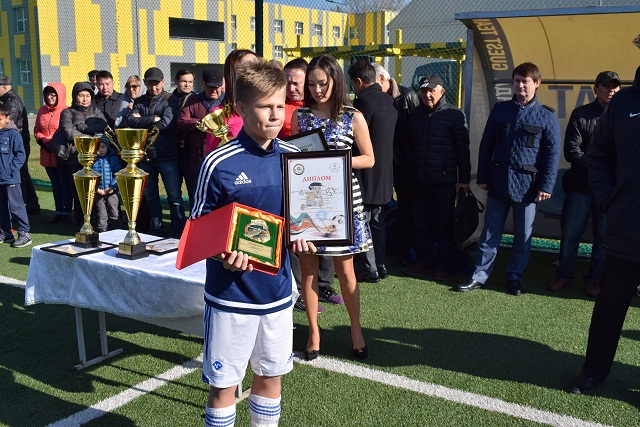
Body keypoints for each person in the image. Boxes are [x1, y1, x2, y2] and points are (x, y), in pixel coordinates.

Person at [190, 59, 304, 427]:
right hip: (231, 295)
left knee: (270, 379)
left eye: (280, 105)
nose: (275, 115)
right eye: (265, 106)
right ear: (240, 107)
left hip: (277, 293)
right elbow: (197, 230)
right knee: (224, 387)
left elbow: (301, 220)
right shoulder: (217, 162)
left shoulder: (295, 160)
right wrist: (223, 253)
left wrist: (307, 235)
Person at [291, 54, 375, 360]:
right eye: (311, 84)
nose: (316, 90)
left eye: (322, 84)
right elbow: (296, 157)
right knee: (308, 270)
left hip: (343, 201)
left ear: (335, 81)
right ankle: (314, 332)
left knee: (346, 270)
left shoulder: (353, 116)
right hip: (307, 201)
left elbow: (369, 158)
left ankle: (356, 329)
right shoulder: (300, 116)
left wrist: (336, 162)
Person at [565, 65, 640, 395]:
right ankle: (594, 370)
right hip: (627, 228)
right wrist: (611, 200)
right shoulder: (623, 103)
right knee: (610, 305)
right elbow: (597, 156)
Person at [456, 62, 560, 296]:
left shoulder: (546, 116)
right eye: (517, 81)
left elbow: (552, 154)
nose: (520, 85)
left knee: (523, 236)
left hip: (528, 187)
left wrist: (546, 185)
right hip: (499, 183)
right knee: (489, 233)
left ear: (537, 83)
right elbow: (487, 145)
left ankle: (514, 278)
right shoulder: (500, 110)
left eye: (525, 81)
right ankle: (478, 276)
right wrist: (483, 176)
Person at [547, 71, 620, 297]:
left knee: (603, 238)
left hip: (608, 191)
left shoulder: (623, 116)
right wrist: (598, 168)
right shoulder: (581, 114)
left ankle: (594, 280)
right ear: (596, 89)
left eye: (615, 87)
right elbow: (572, 151)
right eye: (606, 86)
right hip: (580, 187)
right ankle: (563, 275)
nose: (611, 90)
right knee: (571, 234)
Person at [278, 57, 337, 312]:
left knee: (326, 229)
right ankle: (300, 291)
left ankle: (325, 285)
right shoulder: (279, 106)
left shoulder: (320, 107)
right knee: (299, 234)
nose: (292, 88)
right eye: (287, 82)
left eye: (298, 83)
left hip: (323, 178)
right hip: (293, 176)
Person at [405, 74, 471, 281]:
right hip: (419, 180)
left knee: (444, 224)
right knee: (420, 223)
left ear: (441, 91)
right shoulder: (415, 115)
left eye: (431, 91)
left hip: (443, 181)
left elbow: (463, 150)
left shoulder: (454, 115)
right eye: (423, 91)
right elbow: (408, 146)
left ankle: (443, 264)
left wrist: (464, 179)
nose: (427, 95)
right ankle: (422, 260)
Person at [347, 60, 397, 283]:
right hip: (385, 171)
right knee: (378, 220)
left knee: (363, 219)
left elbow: (356, 136)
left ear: (358, 81)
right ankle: (381, 264)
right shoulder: (389, 100)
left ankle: (371, 268)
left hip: (364, 170)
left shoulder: (363, 102)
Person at [371, 63, 420, 267]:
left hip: (404, 164)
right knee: (381, 208)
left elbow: (415, 132)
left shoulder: (407, 96)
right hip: (384, 162)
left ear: (383, 79)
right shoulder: (373, 99)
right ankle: (387, 249)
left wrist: (409, 162)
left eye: (374, 83)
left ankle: (404, 251)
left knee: (406, 208)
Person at [127, 67, 185, 237]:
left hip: (168, 156)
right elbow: (130, 121)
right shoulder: (139, 101)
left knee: (174, 197)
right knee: (151, 196)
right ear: (145, 83)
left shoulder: (171, 100)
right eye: (150, 83)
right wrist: (152, 119)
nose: (154, 87)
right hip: (146, 157)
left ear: (163, 82)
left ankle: (178, 229)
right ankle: (156, 228)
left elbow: (166, 124)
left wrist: (142, 122)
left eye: (157, 83)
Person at [59, 82, 108, 226]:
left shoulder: (96, 111)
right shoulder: (67, 112)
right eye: (81, 95)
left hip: (96, 157)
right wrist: (90, 137)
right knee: (79, 192)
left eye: (87, 96)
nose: (85, 99)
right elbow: (68, 132)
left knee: (97, 191)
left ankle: (99, 221)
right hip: (75, 157)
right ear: (75, 97)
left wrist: (82, 128)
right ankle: (82, 222)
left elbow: (103, 126)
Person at [176, 66, 225, 209]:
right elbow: (181, 121)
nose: (214, 90)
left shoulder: (228, 102)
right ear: (203, 83)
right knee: (196, 197)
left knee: (222, 198)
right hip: (197, 159)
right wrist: (200, 123)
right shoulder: (192, 100)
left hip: (222, 160)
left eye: (217, 87)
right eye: (210, 87)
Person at [204, 49, 259, 153]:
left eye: (258, 65)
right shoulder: (219, 115)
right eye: (249, 66)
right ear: (234, 74)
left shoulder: (269, 108)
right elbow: (211, 153)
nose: (256, 71)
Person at [0, 75, 41, 215]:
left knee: (18, 175)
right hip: (19, 143)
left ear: (4, 87)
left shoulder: (11, 102)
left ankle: (21, 207)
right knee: (23, 174)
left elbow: (6, 124)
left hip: (16, 145)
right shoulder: (10, 100)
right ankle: (31, 205)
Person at [34, 83, 73, 224]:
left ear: (59, 95)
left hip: (61, 154)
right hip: (46, 153)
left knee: (65, 185)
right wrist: (42, 139)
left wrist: (52, 142)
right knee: (55, 185)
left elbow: (66, 131)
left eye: (53, 95)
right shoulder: (42, 110)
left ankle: (67, 213)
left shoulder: (66, 111)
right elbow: (37, 129)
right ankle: (58, 212)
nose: (50, 97)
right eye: (47, 94)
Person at [0, 104, 31, 248]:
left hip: (10, 178)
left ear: (7, 118)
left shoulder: (13, 134)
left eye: (0, 119)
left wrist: (10, 170)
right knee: (2, 207)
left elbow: (20, 155)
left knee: (16, 206)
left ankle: (24, 234)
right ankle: (6, 233)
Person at [91, 141, 122, 232]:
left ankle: (117, 230)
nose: (100, 150)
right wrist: (97, 189)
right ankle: (102, 231)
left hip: (111, 191)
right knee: (101, 213)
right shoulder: (92, 160)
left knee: (114, 210)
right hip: (98, 191)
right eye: (98, 147)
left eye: (103, 146)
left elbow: (118, 174)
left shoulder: (114, 158)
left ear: (108, 147)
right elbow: (90, 176)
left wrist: (113, 187)